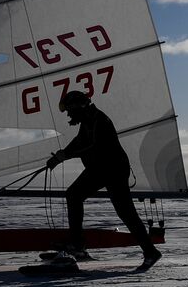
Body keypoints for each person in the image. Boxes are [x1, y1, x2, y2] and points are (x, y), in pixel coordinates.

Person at [46, 90, 162, 269]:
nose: (68, 114)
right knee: (75, 195)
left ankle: (150, 252)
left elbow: (91, 145)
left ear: (79, 107)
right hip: (101, 170)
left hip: (111, 171)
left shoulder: (99, 120)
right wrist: (60, 156)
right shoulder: (88, 120)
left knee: (124, 213)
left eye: (70, 110)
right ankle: (78, 244)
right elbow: (79, 141)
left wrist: (62, 157)